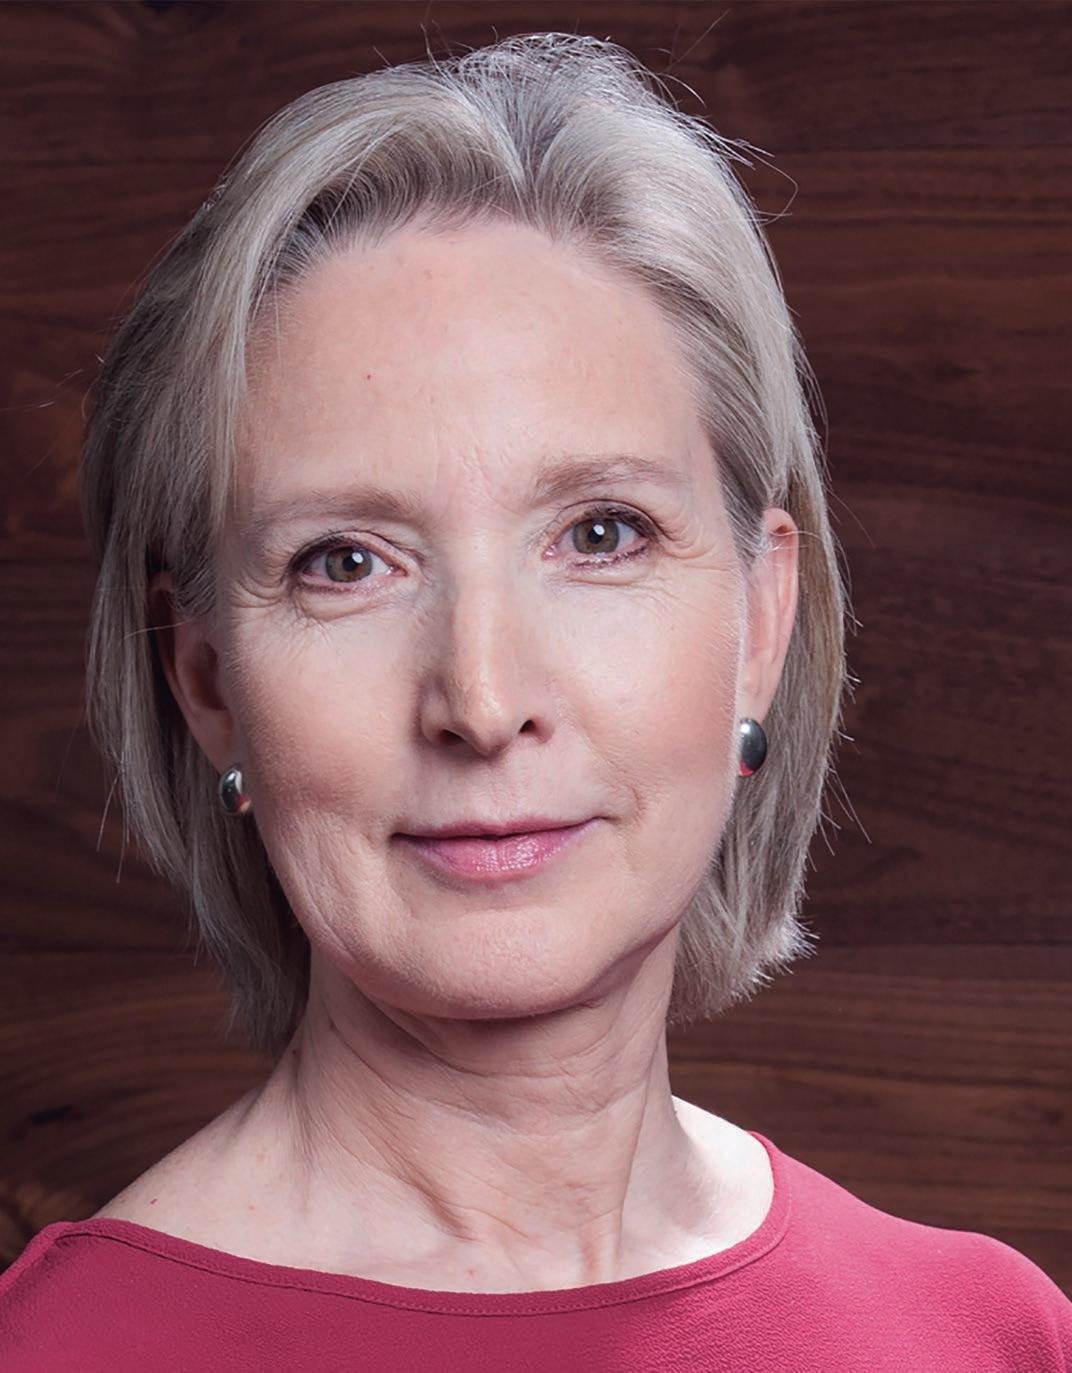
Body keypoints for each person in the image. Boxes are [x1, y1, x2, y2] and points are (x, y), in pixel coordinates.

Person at [2, 31, 1069, 1372]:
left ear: (759, 622)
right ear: (206, 680)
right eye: (347, 563)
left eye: (601, 534)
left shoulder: (991, 1339)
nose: (484, 698)